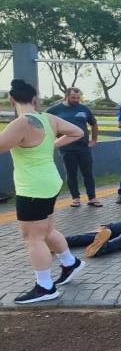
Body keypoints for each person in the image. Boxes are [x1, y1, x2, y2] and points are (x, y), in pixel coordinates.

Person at [0, 79, 86, 303]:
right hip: (49, 183)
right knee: (46, 230)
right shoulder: (47, 119)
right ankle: (70, 263)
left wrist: (51, 145)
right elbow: (77, 131)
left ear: (12, 100)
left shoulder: (21, 123)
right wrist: (52, 144)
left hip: (33, 187)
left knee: (33, 237)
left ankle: (45, 287)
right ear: (35, 99)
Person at [46, 87, 102, 207]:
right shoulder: (55, 110)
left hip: (84, 148)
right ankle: (75, 198)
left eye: (78, 98)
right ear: (66, 96)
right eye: (73, 98)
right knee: (71, 174)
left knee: (88, 173)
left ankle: (92, 198)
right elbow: (44, 122)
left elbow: (94, 123)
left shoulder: (84, 109)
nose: (76, 100)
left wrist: (94, 139)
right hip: (66, 149)